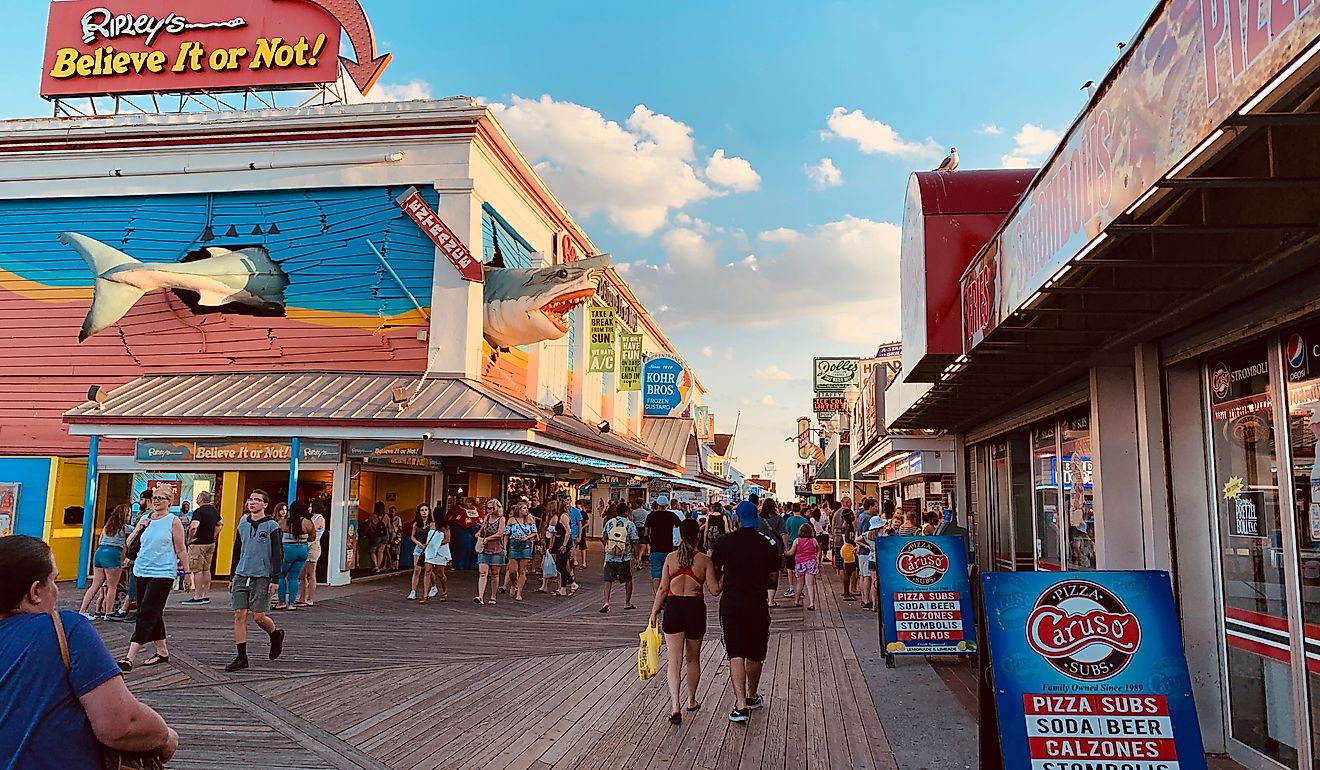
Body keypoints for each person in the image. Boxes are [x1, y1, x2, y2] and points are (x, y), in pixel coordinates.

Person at [0, 535, 178, 768]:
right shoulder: (66, 629)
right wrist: (165, 737)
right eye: (53, 580)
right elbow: (122, 725)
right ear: (35, 592)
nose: (56, 591)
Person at [712, 497, 779, 723]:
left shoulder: (724, 542)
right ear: (756, 518)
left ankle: (740, 705)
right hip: (757, 604)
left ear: (737, 519)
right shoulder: (767, 543)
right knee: (755, 652)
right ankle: (751, 696)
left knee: (736, 653)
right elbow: (772, 577)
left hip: (731, 604)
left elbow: (716, 570)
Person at [650, 520, 719, 725]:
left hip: (673, 607)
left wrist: (654, 612)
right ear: (698, 536)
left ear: (680, 535)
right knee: (692, 659)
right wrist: (724, 577)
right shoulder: (704, 561)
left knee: (674, 660)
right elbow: (715, 591)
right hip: (694, 609)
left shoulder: (671, 558)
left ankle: (675, 706)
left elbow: (662, 589)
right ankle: (691, 700)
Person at [117, 488, 186, 672]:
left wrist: (187, 573)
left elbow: (181, 549)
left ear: (169, 501)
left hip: (163, 572)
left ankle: (129, 656)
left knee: (146, 612)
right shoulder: (145, 519)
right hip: (141, 570)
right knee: (151, 610)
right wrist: (140, 527)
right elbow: (130, 543)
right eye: (154, 498)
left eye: (161, 498)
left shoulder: (173, 521)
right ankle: (162, 651)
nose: (156, 501)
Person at [226, 489, 286, 673]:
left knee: (258, 616)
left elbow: (278, 554)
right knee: (239, 614)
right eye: (250, 499)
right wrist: (232, 575)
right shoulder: (243, 523)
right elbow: (237, 549)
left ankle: (275, 634)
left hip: (262, 575)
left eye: (257, 500)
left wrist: (275, 578)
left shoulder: (272, 526)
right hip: (242, 573)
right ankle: (241, 656)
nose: (252, 503)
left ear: (265, 505)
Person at [78, 503, 130, 619]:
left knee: (95, 585)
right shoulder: (125, 528)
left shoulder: (107, 527)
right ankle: (109, 612)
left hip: (99, 553)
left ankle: (83, 610)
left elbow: (100, 540)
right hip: (112, 554)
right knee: (112, 586)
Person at [181, 491, 222, 605]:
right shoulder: (214, 511)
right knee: (206, 569)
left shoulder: (199, 511)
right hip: (210, 543)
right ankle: (205, 594)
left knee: (197, 570)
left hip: (198, 544)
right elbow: (220, 523)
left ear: (200, 499)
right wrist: (214, 535)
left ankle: (197, 596)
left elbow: (194, 526)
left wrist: (190, 539)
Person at [276, 501, 314, 611]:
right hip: (302, 549)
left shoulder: (284, 522)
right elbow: (312, 538)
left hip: (287, 550)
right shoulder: (308, 523)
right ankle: (291, 604)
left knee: (282, 575)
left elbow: (277, 536)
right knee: (294, 577)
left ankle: (281, 601)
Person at [600, 501, 638, 613]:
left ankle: (606, 601)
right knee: (628, 580)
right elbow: (635, 541)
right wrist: (636, 557)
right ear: (626, 512)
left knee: (608, 580)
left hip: (610, 556)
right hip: (624, 557)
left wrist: (608, 547)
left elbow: (603, 538)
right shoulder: (630, 524)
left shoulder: (610, 522)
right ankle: (627, 602)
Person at [645, 495, 682, 592]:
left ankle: (657, 594)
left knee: (656, 573)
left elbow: (646, 532)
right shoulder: (671, 515)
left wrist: (649, 542)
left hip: (655, 548)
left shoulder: (651, 516)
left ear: (657, 504)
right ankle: (667, 593)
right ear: (666, 505)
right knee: (669, 572)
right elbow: (679, 525)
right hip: (668, 548)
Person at [474, 499, 507, 605]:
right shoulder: (487, 517)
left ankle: (493, 596)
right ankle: (480, 596)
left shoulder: (501, 519)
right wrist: (479, 533)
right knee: (482, 572)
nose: (488, 510)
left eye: (491, 508)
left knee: (495, 573)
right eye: (487, 508)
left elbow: (500, 533)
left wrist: (488, 538)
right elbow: (483, 528)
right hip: (484, 547)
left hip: (496, 548)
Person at [756, 499, 787, 607]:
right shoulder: (778, 518)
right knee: (773, 574)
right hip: (775, 549)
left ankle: (761, 596)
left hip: (760, 548)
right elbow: (783, 534)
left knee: (760, 572)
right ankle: (771, 600)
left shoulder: (758, 518)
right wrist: (786, 548)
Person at [297, 499, 327, 608]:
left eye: (310, 506)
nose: (309, 508)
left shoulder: (319, 519)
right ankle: (302, 596)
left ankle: (310, 598)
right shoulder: (312, 518)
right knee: (303, 574)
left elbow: (310, 529)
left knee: (311, 574)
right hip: (306, 545)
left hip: (313, 545)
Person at [504, 503, 537, 601]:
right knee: (512, 571)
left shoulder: (530, 520)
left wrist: (527, 537)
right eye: (523, 508)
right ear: (518, 509)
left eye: (526, 508)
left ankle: (519, 592)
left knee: (522, 570)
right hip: (514, 544)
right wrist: (505, 547)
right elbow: (506, 534)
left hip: (525, 545)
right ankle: (514, 584)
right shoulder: (512, 520)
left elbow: (534, 532)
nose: (526, 510)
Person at [786, 522, 819, 610]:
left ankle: (796, 601)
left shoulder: (797, 541)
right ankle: (811, 603)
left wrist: (785, 553)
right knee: (810, 584)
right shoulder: (813, 540)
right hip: (811, 562)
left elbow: (792, 552)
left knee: (800, 583)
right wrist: (818, 558)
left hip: (800, 563)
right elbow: (818, 549)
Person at [420, 515, 451, 604]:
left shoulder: (445, 526)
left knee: (440, 574)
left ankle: (444, 591)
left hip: (440, 551)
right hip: (430, 550)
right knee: (427, 571)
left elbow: (447, 539)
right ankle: (425, 595)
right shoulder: (430, 524)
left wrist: (436, 543)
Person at [407, 504, 434, 601]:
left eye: (426, 510)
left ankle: (433, 586)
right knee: (417, 569)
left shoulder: (432, 524)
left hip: (429, 548)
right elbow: (412, 536)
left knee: (428, 570)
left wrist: (427, 544)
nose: (424, 512)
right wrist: (418, 543)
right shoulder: (416, 524)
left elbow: (433, 536)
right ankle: (413, 591)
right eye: (422, 510)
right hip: (419, 547)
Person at [369, 502, 389, 573]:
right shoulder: (386, 516)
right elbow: (389, 527)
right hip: (385, 535)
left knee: (372, 551)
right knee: (380, 551)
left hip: (376, 535)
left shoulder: (372, 516)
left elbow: (369, 525)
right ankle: (378, 567)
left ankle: (376, 566)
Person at [629, 498, 649, 569]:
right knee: (643, 545)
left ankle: (636, 559)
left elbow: (632, 520)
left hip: (636, 528)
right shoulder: (646, 512)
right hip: (643, 529)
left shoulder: (634, 512)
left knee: (636, 545)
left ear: (637, 504)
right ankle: (640, 558)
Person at [570, 498, 588, 569]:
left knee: (582, 547)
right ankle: (575, 560)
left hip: (581, 532)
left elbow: (587, 522)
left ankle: (584, 563)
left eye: (579, 505)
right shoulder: (574, 512)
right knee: (574, 546)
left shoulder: (583, 513)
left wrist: (582, 528)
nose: (577, 506)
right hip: (575, 531)